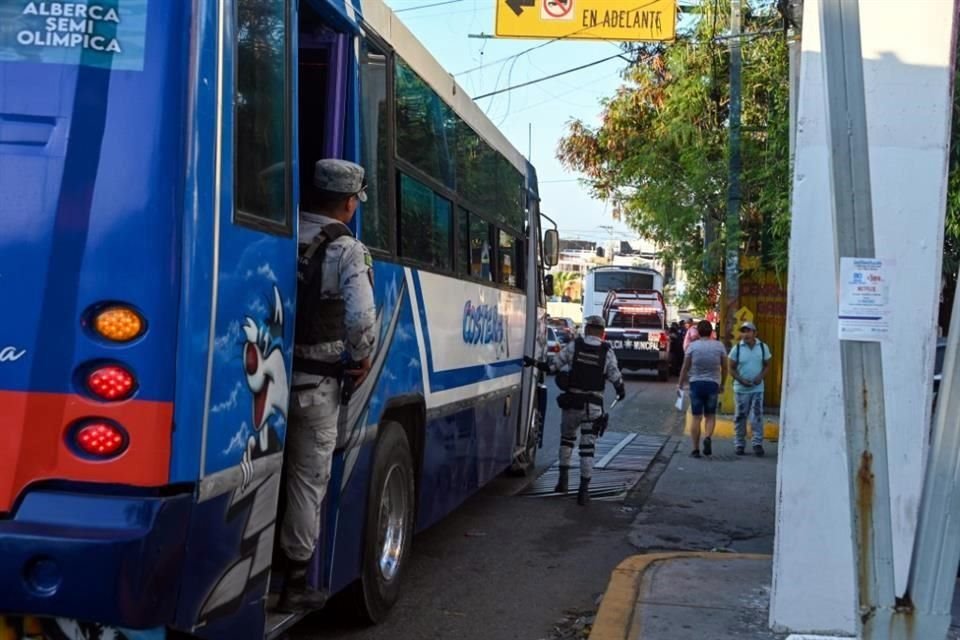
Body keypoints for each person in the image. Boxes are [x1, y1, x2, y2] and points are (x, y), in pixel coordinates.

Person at [279, 159, 377, 612]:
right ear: (347, 202)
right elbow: (360, 319)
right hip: (316, 384)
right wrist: (361, 357)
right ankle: (295, 581)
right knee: (306, 479)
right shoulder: (346, 250)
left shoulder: (279, 230)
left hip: (268, 373)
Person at [524, 315, 625, 505]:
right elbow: (615, 376)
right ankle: (584, 491)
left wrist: (534, 363)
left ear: (587, 329)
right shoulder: (607, 351)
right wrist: (621, 390)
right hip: (593, 408)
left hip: (571, 404)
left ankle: (562, 482)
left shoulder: (574, 346)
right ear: (602, 332)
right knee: (588, 449)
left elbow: (553, 366)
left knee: (566, 441)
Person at [678, 320, 727, 458]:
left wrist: (680, 383)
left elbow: (685, 367)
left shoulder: (692, 347)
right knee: (710, 415)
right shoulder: (719, 346)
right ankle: (707, 437)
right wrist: (722, 384)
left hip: (696, 385)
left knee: (696, 417)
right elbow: (725, 367)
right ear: (711, 332)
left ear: (698, 332)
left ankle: (695, 449)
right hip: (712, 385)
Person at [728, 321, 772, 456]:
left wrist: (761, 377)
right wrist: (741, 380)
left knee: (757, 417)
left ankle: (757, 444)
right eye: (743, 331)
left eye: (748, 331)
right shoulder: (737, 349)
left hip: (757, 389)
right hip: (741, 390)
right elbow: (731, 368)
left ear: (755, 333)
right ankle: (739, 444)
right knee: (740, 417)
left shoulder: (763, 347)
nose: (745, 334)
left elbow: (767, 365)